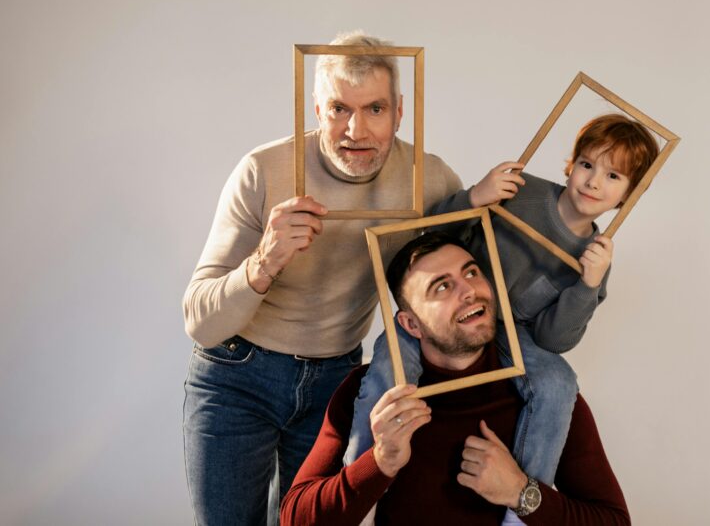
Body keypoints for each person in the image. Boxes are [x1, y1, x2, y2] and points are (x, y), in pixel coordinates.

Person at [182, 31, 463, 525]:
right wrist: (264, 261)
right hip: (236, 375)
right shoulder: (264, 170)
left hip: (337, 379)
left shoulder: (431, 180)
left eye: (374, 109)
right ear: (316, 110)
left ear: (399, 110)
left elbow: (471, 280)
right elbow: (200, 322)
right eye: (339, 109)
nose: (356, 129)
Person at [344, 113, 659, 513]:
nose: (594, 181)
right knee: (389, 361)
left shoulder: (596, 258)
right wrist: (475, 197)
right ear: (572, 163)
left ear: (631, 193)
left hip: (514, 334)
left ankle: (519, 505)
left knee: (558, 383)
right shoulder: (523, 192)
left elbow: (554, 340)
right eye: (587, 165)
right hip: (449, 313)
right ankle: (360, 478)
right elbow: (433, 239)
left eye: (614, 176)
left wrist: (587, 286)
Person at [280, 232, 631, 525]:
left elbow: (614, 520)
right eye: (442, 287)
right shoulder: (372, 394)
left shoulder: (543, 394)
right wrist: (380, 462)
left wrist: (521, 493)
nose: (469, 290)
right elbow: (294, 518)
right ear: (411, 324)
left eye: (472, 273)